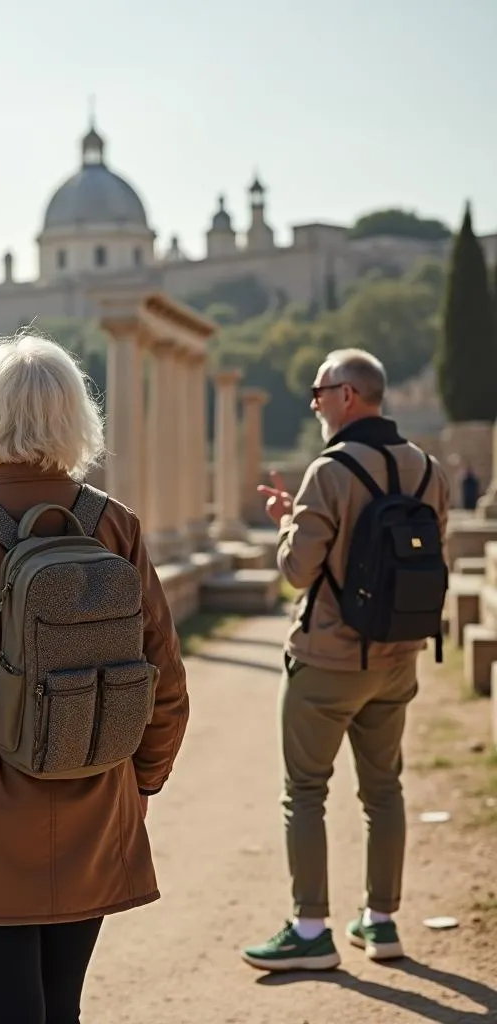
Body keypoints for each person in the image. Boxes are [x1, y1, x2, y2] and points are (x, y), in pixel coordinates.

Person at [0, 333, 189, 1024]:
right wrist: (140, 783)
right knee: (63, 1007)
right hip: (95, 794)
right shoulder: (115, 525)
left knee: (6, 1011)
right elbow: (164, 680)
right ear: (78, 420)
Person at [243, 348, 449, 972]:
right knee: (383, 790)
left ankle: (310, 931)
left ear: (349, 396)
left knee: (304, 792)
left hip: (329, 659)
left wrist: (285, 525)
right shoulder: (427, 469)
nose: (313, 402)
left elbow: (296, 571)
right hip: (399, 656)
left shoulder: (328, 472)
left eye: (319, 390)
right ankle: (381, 924)